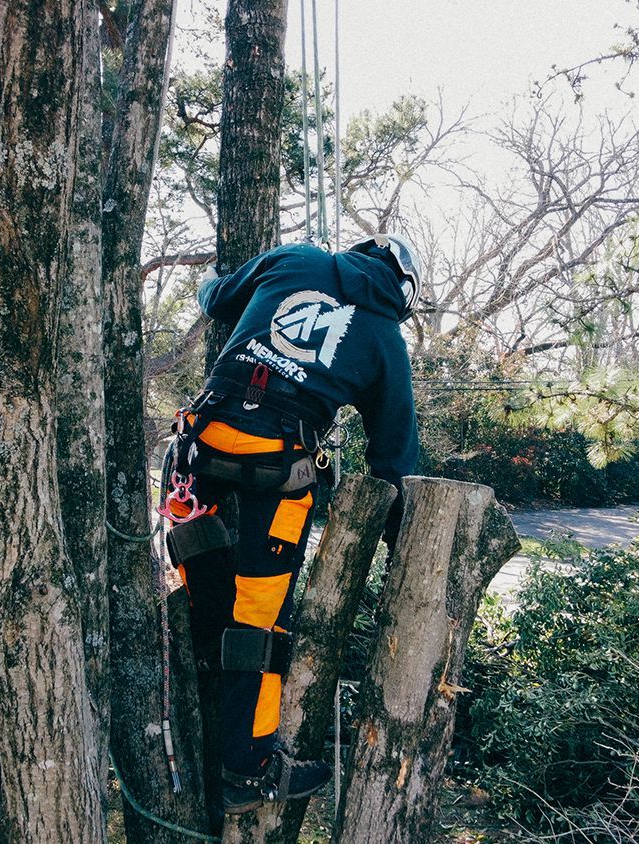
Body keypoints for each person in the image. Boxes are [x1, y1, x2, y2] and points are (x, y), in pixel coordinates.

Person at [161, 234, 421, 814]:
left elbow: (219, 298)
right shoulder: (385, 338)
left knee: (208, 607)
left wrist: (212, 290)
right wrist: (401, 535)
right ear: (402, 292)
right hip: (273, 471)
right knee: (257, 625)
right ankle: (247, 774)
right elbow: (394, 456)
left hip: (196, 455)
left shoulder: (297, 258)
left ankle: (206, 715)